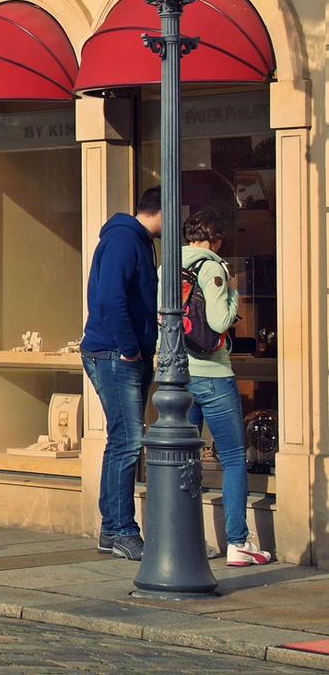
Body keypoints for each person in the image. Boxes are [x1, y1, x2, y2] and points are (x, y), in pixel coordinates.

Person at [160, 210, 272, 566]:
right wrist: (235, 293)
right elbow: (220, 321)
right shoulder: (212, 268)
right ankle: (238, 543)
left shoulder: (166, 267)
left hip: (178, 376)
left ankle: (189, 538)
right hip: (212, 373)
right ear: (217, 239)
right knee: (234, 458)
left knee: (184, 457)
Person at [81, 185, 163, 561]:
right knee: (129, 441)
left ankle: (111, 529)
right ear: (160, 211)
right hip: (115, 355)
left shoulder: (138, 241)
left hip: (122, 353)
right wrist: (130, 348)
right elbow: (109, 298)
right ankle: (123, 531)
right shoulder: (123, 240)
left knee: (121, 441)